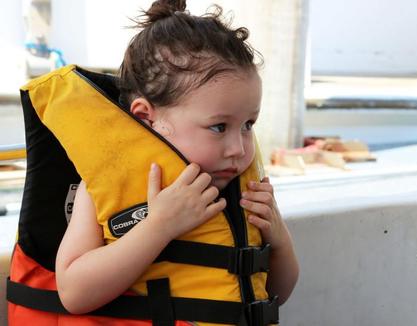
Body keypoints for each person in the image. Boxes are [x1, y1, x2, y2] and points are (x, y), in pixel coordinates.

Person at [7, 0, 298, 325]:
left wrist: (279, 239)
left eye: (248, 125)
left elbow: (276, 293)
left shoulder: (242, 188)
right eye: (219, 127)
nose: (238, 148)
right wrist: (159, 226)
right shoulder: (108, 181)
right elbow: (74, 293)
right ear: (147, 118)